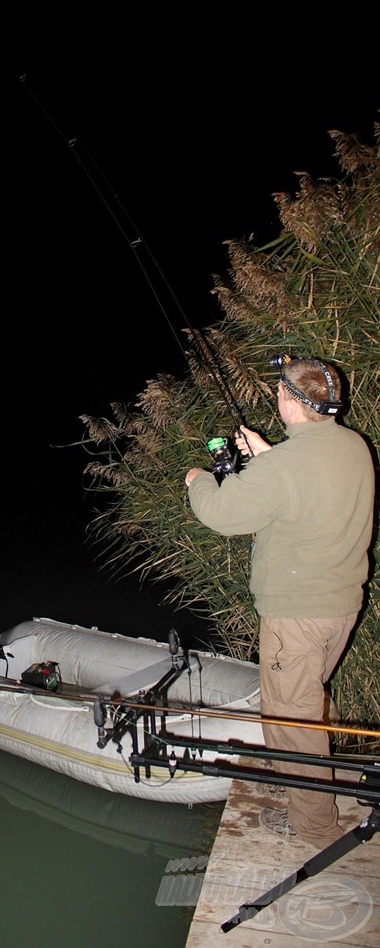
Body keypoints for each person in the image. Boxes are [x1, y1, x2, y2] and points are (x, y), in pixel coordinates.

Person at [184, 355, 375, 850]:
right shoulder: (354, 447)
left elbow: (222, 513)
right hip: (340, 607)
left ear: (290, 400)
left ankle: (316, 827)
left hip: (297, 617)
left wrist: (197, 479)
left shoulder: (287, 466)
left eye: (279, 391)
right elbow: (309, 490)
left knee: (294, 718)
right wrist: (268, 455)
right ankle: (309, 778)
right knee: (301, 700)